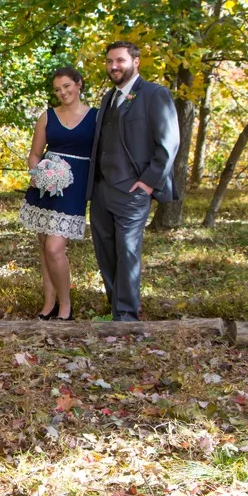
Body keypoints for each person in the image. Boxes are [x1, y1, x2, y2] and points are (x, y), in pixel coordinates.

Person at [88, 41, 180, 322]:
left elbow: (169, 142)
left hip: (133, 190)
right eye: (109, 61)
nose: (113, 66)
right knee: (105, 252)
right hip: (103, 189)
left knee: (127, 252)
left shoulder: (154, 94)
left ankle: (126, 316)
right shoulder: (108, 98)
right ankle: (116, 306)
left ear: (136, 62)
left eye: (120, 60)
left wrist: (149, 183)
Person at [18, 66, 97, 320]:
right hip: (46, 185)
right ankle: (49, 302)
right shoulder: (47, 116)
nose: (62, 92)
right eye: (57, 89)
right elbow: (35, 154)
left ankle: (66, 305)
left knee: (54, 247)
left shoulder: (96, 117)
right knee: (43, 246)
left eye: (66, 86)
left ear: (79, 84)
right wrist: (38, 174)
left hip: (74, 187)